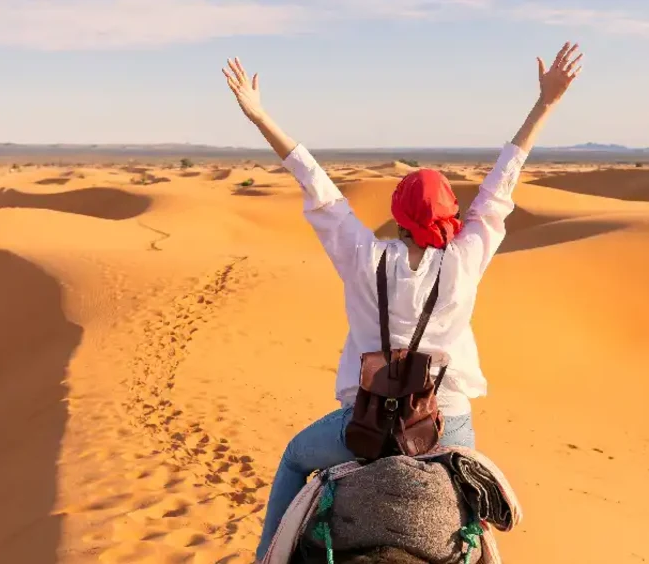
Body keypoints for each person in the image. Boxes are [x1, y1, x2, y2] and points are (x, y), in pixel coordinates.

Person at [221, 41, 583, 562]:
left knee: (297, 459)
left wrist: (259, 116)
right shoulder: (465, 258)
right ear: (451, 214)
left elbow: (317, 186)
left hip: (362, 426)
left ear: (398, 215)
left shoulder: (363, 255)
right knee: (476, 525)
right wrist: (545, 104)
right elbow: (503, 182)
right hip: (445, 423)